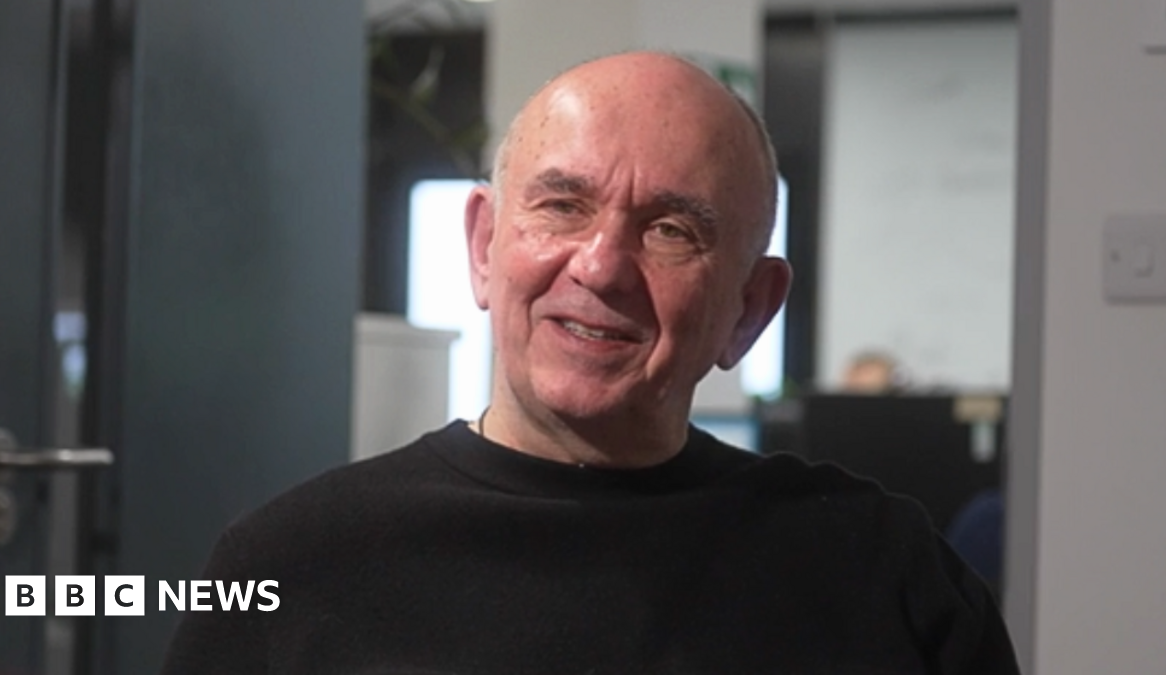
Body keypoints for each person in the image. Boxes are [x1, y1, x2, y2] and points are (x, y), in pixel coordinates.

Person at [161, 51, 1020, 674]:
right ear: (483, 247)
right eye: (563, 206)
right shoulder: (295, 567)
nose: (602, 266)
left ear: (750, 309)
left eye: (671, 230)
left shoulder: (882, 575)